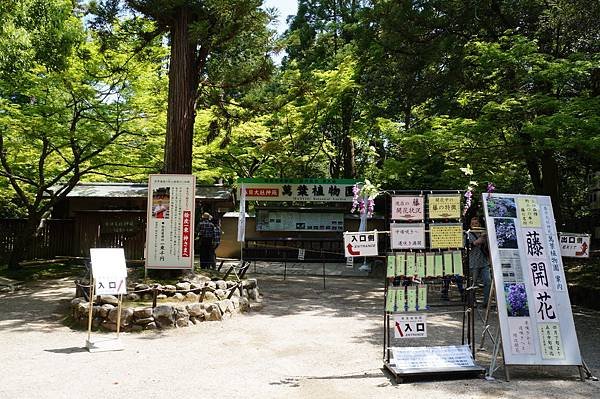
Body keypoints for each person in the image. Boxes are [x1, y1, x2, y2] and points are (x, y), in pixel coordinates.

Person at [467, 215, 492, 307]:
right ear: (470, 225)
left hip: (484, 262)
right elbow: (471, 245)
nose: (474, 225)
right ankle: (472, 302)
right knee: (473, 283)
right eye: (472, 223)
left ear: (479, 224)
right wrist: (480, 239)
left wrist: (485, 237)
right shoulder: (468, 234)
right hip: (473, 262)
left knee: (488, 281)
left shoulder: (484, 233)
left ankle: (486, 302)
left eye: (476, 223)